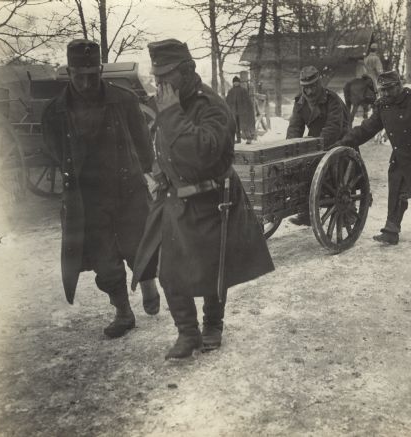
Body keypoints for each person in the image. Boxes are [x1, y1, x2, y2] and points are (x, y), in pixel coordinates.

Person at [131, 39, 275, 360]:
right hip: (176, 197)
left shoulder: (212, 105)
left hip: (212, 200)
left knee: (213, 268)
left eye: (166, 75)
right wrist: (160, 172)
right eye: (157, 76)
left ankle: (213, 324)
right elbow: (164, 146)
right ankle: (187, 332)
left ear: (187, 70)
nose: (160, 83)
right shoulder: (168, 102)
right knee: (169, 270)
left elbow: (202, 153)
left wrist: (170, 115)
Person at [41, 39, 160, 338]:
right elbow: (55, 150)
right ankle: (122, 311)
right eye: (79, 76)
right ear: (69, 72)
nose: (85, 82)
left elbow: (143, 142)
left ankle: (147, 282)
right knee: (103, 257)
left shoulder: (124, 99)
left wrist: (143, 169)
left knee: (139, 244)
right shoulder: (55, 111)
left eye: (92, 75)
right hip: (88, 198)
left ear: (101, 70)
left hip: (128, 189)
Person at [332, 70, 411, 245]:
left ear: (399, 85)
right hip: (401, 156)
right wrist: (344, 142)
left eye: (389, 89)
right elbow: (367, 129)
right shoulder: (383, 105)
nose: (385, 94)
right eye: (382, 90)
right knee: (397, 192)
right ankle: (391, 231)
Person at [286, 65, 350, 226]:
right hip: (316, 140)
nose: (309, 92)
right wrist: (290, 148)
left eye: (313, 86)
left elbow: (334, 127)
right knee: (301, 166)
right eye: (305, 88)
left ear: (319, 83)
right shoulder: (300, 102)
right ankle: (306, 211)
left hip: (338, 140)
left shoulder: (332, 99)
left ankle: (348, 212)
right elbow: (295, 126)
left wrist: (317, 146)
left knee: (339, 175)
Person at [225, 76, 256, 144]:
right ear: (233, 83)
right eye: (234, 82)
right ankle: (238, 139)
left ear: (239, 82)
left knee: (244, 125)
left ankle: (249, 138)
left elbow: (247, 101)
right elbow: (227, 101)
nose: (236, 83)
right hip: (233, 112)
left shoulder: (243, 90)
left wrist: (246, 109)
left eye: (237, 82)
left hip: (242, 112)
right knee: (235, 126)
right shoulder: (230, 91)